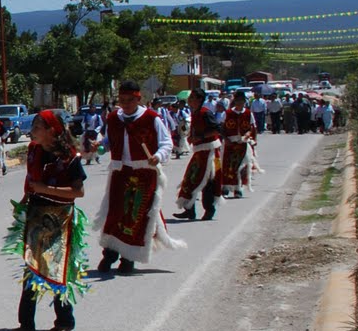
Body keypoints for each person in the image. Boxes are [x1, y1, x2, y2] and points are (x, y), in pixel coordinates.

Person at [6, 110, 88, 331]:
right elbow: (31, 181)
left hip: (59, 216)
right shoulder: (33, 151)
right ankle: (26, 324)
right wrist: (24, 202)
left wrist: (45, 190)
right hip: (36, 213)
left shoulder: (69, 157)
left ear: (52, 131)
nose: (32, 131)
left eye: (37, 127)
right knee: (32, 267)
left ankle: (64, 319)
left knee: (57, 268)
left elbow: (78, 192)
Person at [95, 81, 183, 274]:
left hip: (143, 173)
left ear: (138, 99)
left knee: (135, 215)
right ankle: (109, 254)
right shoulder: (113, 119)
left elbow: (166, 142)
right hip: (120, 173)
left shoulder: (151, 118)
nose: (125, 104)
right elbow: (109, 141)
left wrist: (157, 156)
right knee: (115, 213)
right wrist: (100, 147)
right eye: (122, 100)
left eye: (129, 100)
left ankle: (128, 258)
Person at [172, 88, 223, 222]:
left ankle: (209, 210)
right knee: (190, 179)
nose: (189, 100)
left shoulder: (206, 113)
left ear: (199, 100)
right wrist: (191, 137)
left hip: (209, 152)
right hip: (199, 152)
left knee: (207, 181)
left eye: (192, 98)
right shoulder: (194, 113)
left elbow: (217, 129)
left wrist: (200, 137)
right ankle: (189, 210)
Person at [219, 90, 259, 198]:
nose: (240, 103)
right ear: (234, 101)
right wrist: (225, 138)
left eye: (242, 101)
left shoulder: (248, 113)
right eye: (237, 101)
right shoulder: (227, 113)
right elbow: (221, 128)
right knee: (227, 165)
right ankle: (226, 187)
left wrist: (248, 135)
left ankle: (238, 188)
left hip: (242, 143)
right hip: (229, 143)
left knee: (240, 166)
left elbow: (252, 128)